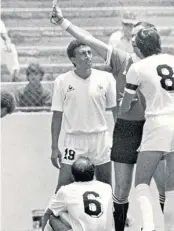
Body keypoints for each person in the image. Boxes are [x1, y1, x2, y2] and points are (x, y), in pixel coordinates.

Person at [50, 7, 166, 231]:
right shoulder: (123, 60)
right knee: (120, 189)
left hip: (153, 127)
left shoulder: (160, 63)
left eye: (136, 35)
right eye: (131, 35)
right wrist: (64, 22)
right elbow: (88, 39)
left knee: (163, 185)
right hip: (127, 129)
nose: (132, 39)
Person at [121, 28, 174, 231]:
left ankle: (149, 227)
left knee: (141, 183)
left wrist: (128, 103)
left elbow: (125, 105)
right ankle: (169, 227)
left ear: (140, 48)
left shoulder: (137, 67)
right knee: (171, 186)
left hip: (157, 122)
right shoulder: (171, 59)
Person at [51, 39, 116, 192]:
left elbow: (116, 112)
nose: (88, 56)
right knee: (62, 189)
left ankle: (111, 216)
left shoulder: (106, 78)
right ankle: (50, 216)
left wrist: (120, 140)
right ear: (73, 59)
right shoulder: (62, 81)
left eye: (89, 52)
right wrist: (54, 147)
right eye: (82, 54)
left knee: (106, 188)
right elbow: (57, 116)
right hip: (74, 140)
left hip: (100, 139)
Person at [43, 156, 113, 231]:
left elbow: (48, 213)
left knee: (52, 217)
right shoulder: (107, 188)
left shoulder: (66, 190)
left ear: (73, 176)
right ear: (93, 173)